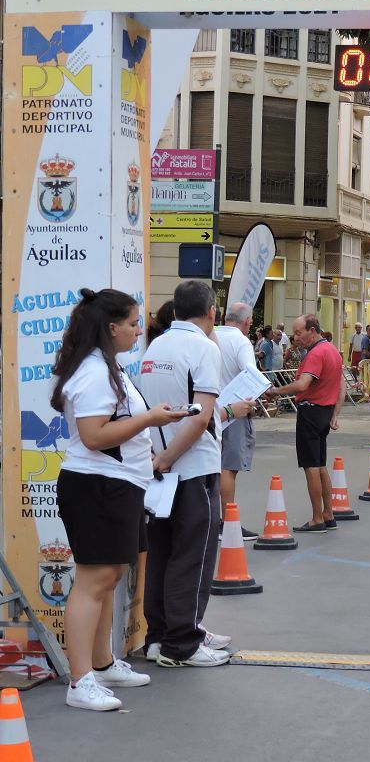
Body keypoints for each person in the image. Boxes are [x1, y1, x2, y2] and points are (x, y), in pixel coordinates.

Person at [52, 289, 188, 710]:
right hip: (97, 487)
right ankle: (80, 681)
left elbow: (117, 427)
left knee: (107, 579)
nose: (137, 331)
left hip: (117, 485)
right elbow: (94, 437)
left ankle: (103, 662)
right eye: (132, 324)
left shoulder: (107, 367)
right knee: (93, 581)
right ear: (111, 328)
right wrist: (151, 418)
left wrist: (144, 445)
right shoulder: (94, 373)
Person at [140, 281, 255, 669]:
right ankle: (183, 643)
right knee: (194, 556)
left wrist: (160, 458)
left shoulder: (155, 348)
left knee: (162, 555)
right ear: (211, 313)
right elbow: (202, 414)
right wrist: (170, 457)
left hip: (160, 467)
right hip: (190, 467)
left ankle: (160, 637)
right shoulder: (204, 348)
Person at [265, 315, 346, 532]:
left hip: (311, 412)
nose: (296, 337)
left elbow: (302, 385)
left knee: (311, 467)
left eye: (299, 332)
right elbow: (341, 387)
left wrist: (275, 391)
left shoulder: (316, 353)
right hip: (324, 412)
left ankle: (317, 518)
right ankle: (328, 514)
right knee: (320, 465)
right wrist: (335, 414)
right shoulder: (332, 350)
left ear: (312, 330)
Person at [215, 302, 261, 541]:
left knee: (212, 467)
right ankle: (227, 522)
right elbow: (250, 374)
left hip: (208, 409)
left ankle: (213, 520)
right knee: (228, 468)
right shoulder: (241, 341)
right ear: (246, 322)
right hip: (233, 411)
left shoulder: (209, 335)